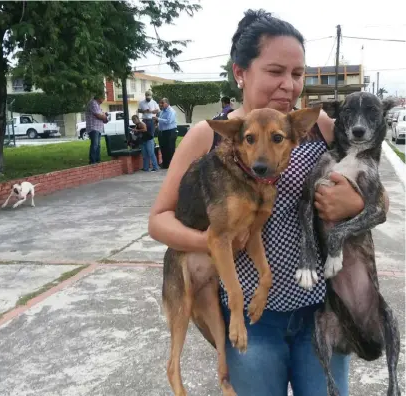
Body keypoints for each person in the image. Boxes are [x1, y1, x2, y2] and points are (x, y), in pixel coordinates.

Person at [148, 9, 389, 396]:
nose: (289, 86)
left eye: (297, 74)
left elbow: (379, 196)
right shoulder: (207, 137)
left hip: (321, 313)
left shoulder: (316, 127)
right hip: (252, 324)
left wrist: (355, 205)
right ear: (240, 72)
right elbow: (158, 220)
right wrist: (217, 240)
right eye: (275, 71)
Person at [85, 94, 108, 164]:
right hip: (93, 127)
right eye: (103, 98)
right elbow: (99, 116)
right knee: (95, 144)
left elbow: (103, 118)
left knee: (98, 145)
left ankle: (97, 160)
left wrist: (104, 116)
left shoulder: (98, 105)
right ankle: (92, 161)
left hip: (98, 128)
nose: (103, 100)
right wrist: (104, 116)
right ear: (99, 97)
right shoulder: (93, 103)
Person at [155, 98, 177, 169]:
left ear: (167, 103)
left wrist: (158, 119)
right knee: (163, 148)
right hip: (162, 132)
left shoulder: (171, 111)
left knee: (170, 149)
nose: (160, 104)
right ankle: (165, 164)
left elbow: (168, 121)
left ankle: (171, 164)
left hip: (170, 132)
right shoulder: (162, 112)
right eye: (160, 103)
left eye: (162, 103)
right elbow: (161, 121)